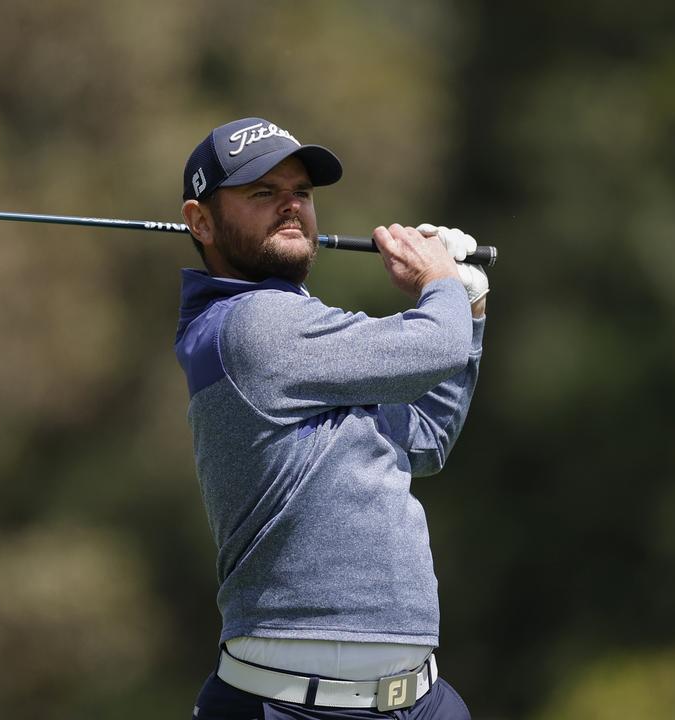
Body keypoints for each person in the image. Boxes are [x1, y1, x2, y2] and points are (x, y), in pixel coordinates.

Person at [174, 117, 487, 720]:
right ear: (201, 221)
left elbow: (424, 437)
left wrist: (466, 306)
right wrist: (439, 284)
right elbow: (432, 347)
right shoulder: (247, 326)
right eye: (262, 193)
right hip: (285, 704)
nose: (291, 207)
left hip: (419, 701)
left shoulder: (308, 334)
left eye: (302, 193)